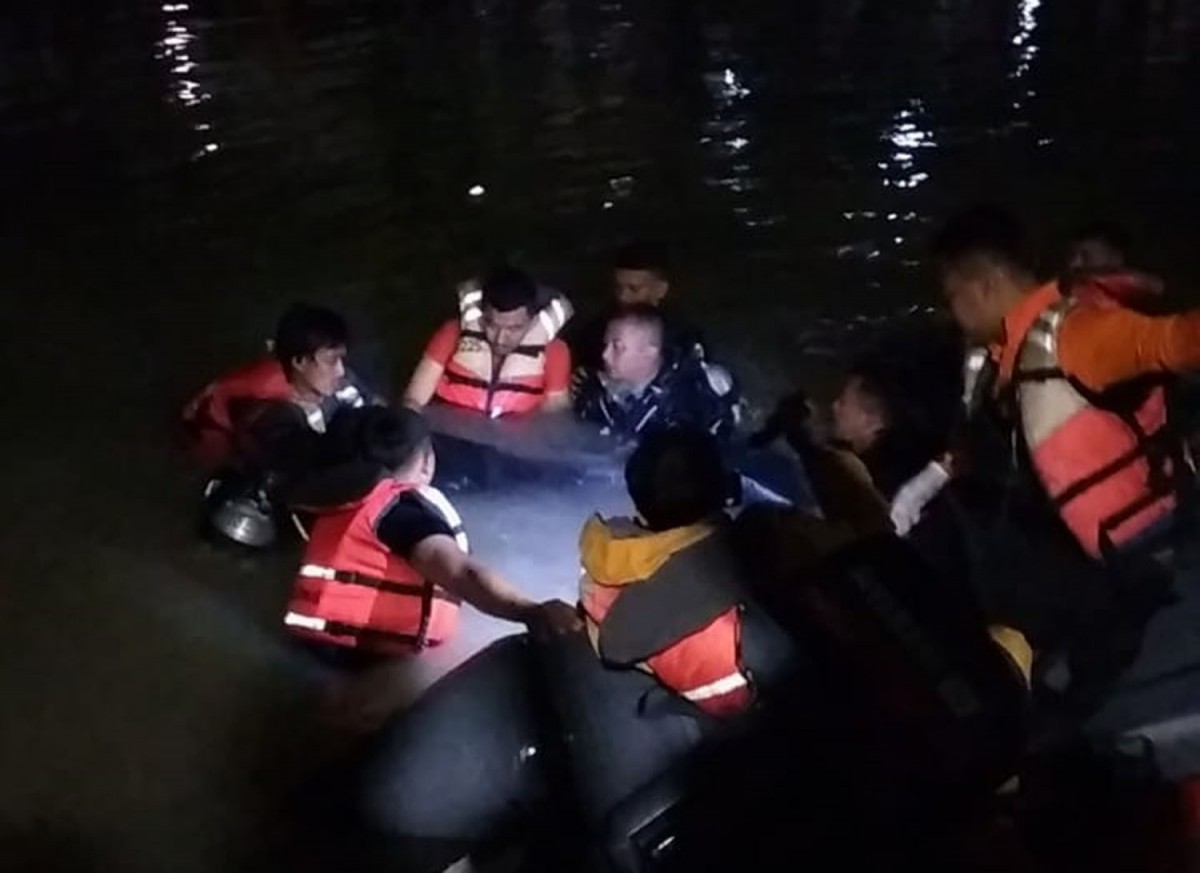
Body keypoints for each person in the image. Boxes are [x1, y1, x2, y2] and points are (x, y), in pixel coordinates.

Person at [284, 405, 581, 662]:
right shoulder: (402, 510)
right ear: (426, 461)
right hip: (368, 660)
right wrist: (531, 612)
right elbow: (460, 572)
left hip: (312, 649)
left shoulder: (340, 499)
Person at [181, 304, 377, 547]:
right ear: (299, 362)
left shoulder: (332, 380)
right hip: (223, 443)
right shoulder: (264, 408)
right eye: (331, 361)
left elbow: (375, 411)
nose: (340, 370)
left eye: (341, 358)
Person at [402, 267, 573, 418]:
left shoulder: (555, 352)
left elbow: (556, 421)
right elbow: (414, 400)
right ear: (482, 314)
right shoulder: (452, 333)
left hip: (513, 449)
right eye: (492, 325)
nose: (500, 339)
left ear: (532, 320)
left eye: (514, 329)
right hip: (449, 440)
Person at [573, 305, 740, 441]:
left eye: (617, 347)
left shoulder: (686, 399)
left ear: (649, 352)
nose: (604, 355)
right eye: (606, 345)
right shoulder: (597, 389)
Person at [568, 241, 706, 372]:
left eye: (633, 289)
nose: (623, 296)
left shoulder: (685, 340)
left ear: (660, 289)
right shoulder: (594, 332)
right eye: (618, 288)